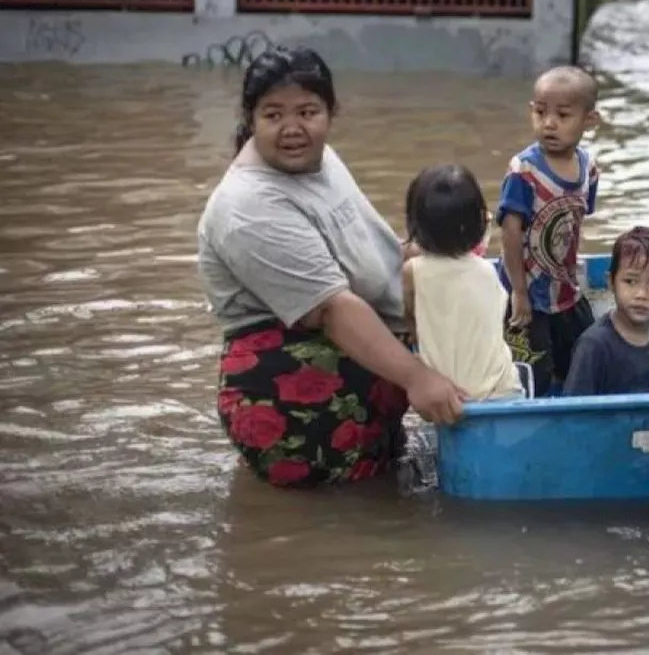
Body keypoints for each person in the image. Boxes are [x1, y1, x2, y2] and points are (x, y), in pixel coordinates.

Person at [196, 46, 466, 489]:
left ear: (331, 111)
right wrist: (419, 377)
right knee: (355, 522)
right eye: (273, 115)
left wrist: (445, 266)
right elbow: (333, 308)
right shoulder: (247, 206)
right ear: (250, 117)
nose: (292, 129)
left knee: (388, 495)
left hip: (365, 371)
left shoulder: (317, 158)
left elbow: (368, 249)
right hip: (297, 407)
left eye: (307, 111)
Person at [496, 66, 601, 397]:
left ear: (589, 120)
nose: (549, 123)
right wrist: (519, 292)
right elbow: (510, 233)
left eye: (563, 115)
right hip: (527, 293)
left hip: (565, 290)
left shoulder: (589, 168)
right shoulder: (524, 171)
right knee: (531, 374)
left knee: (587, 356)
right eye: (541, 113)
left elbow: (574, 223)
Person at [401, 164, 526, 401]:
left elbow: (410, 318)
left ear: (414, 224)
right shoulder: (486, 272)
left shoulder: (412, 271)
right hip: (504, 391)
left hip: (449, 397)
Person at [562, 227, 649, 397]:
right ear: (611, 282)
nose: (641, 294)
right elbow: (573, 411)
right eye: (630, 281)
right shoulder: (594, 345)